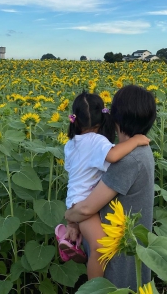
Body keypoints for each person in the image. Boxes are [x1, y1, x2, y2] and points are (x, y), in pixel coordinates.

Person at [65, 85, 156, 291]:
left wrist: (69, 215)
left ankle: (94, 289)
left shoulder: (129, 159)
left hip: (121, 260)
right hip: (123, 249)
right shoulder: (139, 149)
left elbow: (86, 208)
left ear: (116, 117)